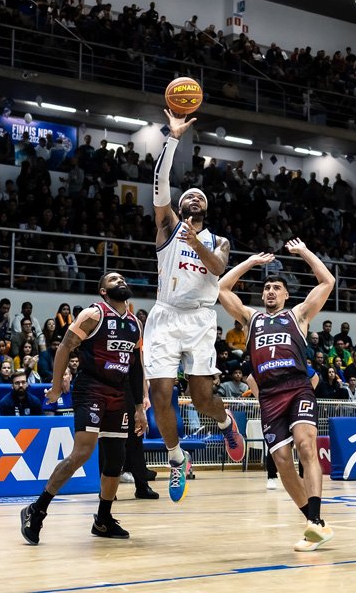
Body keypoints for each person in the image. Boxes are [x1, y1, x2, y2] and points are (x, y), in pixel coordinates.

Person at [144, 109, 245, 503]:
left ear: (206, 209)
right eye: (189, 196)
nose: (195, 197)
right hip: (165, 315)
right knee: (160, 393)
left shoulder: (218, 240)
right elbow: (160, 186)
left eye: (201, 197)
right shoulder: (167, 226)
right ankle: (175, 458)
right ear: (181, 205)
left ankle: (225, 422)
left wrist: (197, 241)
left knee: (202, 397)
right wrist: (171, 139)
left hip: (202, 317)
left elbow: (218, 269)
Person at [218, 238, 336, 551]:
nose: (271, 291)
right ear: (262, 294)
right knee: (282, 462)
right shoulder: (251, 319)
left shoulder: (298, 315)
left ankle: (315, 519)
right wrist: (251, 263)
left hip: (296, 387)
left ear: (285, 294)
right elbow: (222, 289)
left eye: (276, 287)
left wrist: (304, 253)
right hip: (269, 396)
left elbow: (328, 281)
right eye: (267, 287)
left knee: (305, 444)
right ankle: (315, 523)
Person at [20, 272, 147, 544]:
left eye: (123, 278)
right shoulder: (93, 315)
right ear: (103, 291)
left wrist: (139, 406)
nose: (121, 281)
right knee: (82, 452)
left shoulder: (135, 323)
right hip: (91, 388)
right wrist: (55, 386)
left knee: (116, 459)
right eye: (114, 280)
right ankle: (37, 509)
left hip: (118, 392)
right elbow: (65, 347)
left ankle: (103, 520)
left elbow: (137, 368)